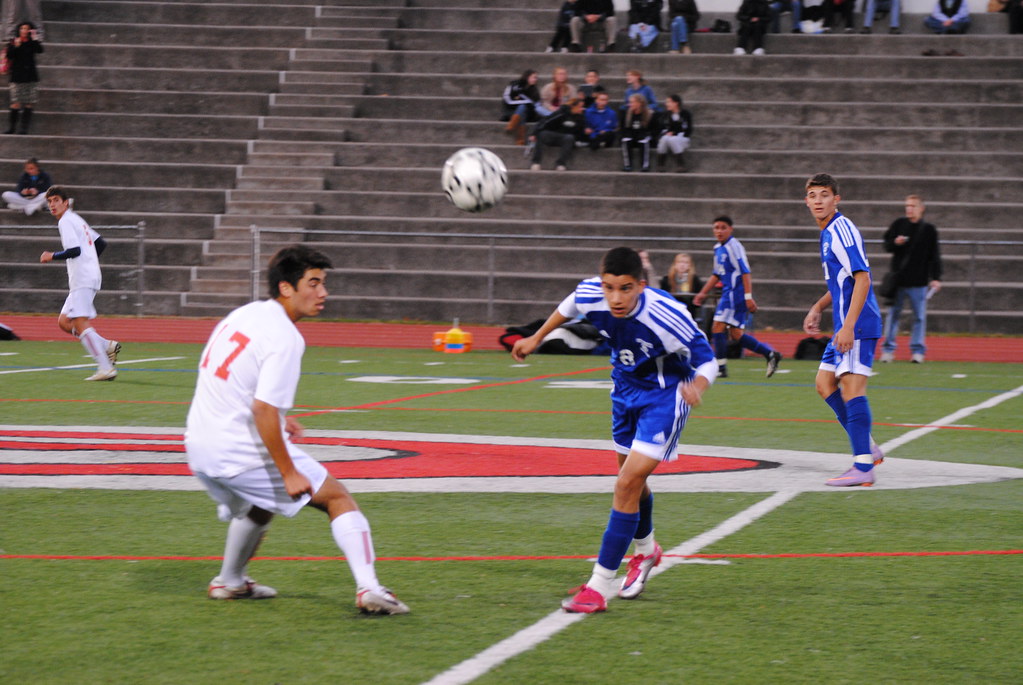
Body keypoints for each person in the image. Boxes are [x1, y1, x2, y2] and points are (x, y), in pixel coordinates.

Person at [185, 244, 410, 615]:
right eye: (314, 283)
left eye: (323, 283)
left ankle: (230, 582)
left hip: (198, 444)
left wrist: (276, 418)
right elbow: (263, 409)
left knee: (262, 505)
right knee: (337, 498)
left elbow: (229, 379)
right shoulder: (286, 336)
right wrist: (288, 471)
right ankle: (370, 588)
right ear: (286, 288)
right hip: (236, 447)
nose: (323, 292)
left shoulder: (245, 313)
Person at [511, 246, 717, 613]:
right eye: (609, 288)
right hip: (624, 391)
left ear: (640, 285)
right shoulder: (593, 293)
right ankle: (647, 551)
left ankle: (599, 585)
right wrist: (536, 337)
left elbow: (708, 361)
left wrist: (697, 388)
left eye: (625, 289)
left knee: (625, 484)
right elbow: (570, 304)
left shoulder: (666, 315)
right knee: (632, 482)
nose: (616, 298)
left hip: (665, 396)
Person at [802, 173, 886, 487]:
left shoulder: (841, 229)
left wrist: (849, 326)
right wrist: (818, 306)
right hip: (845, 325)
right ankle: (868, 447)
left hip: (857, 324)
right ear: (806, 201)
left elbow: (863, 277)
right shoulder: (827, 233)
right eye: (813, 195)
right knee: (825, 383)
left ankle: (863, 465)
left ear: (836, 199)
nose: (818, 200)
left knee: (852, 388)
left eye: (824, 194)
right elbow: (843, 282)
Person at [39, 186, 120, 382]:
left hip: (83, 278)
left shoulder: (66, 221)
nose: (52, 205)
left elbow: (74, 250)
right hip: (86, 276)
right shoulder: (76, 219)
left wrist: (51, 255)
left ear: (66, 202)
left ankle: (105, 368)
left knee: (79, 322)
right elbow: (100, 243)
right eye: (49, 201)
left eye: (56, 200)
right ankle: (106, 346)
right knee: (64, 322)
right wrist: (89, 261)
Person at [692, 216, 782, 378]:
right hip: (729, 294)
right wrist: (703, 292)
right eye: (716, 228)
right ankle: (770, 354)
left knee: (717, 327)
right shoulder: (717, 248)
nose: (719, 231)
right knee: (736, 334)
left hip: (735, 294)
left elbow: (745, 272)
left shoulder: (734, 246)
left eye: (723, 227)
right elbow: (716, 274)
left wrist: (748, 297)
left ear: (730, 229)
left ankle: (721, 367)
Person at [880, 195, 942, 364]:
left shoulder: (928, 229)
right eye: (907, 205)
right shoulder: (899, 224)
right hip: (899, 280)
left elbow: (934, 255)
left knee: (919, 317)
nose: (909, 209)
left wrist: (936, 277)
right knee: (893, 315)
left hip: (919, 281)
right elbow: (886, 244)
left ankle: (917, 351)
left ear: (921, 208)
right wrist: (895, 243)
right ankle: (888, 350)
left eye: (913, 206)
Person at [4, 21, 43, 135]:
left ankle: (24, 128)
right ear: (19, 30)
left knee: (29, 103)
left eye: (27, 29)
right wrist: (16, 46)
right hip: (17, 76)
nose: (24, 31)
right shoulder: (14, 41)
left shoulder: (32, 42)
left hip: (30, 76)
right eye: (22, 28)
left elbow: (40, 50)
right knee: (15, 102)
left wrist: (35, 38)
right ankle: (12, 128)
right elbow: (9, 55)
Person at [529, 96, 587, 171]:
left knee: (569, 138)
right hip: (552, 135)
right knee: (542, 134)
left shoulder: (581, 117)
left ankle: (561, 164)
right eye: (580, 107)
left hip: (565, 139)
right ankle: (536, 162)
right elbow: (545, 121)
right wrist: (534, 133)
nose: (581, 109)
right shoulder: (561, 113)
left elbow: (580, 133)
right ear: (573, 106)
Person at [659, 252, 704, 320]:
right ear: (675, 264)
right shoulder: (666, 280)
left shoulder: (695, 280)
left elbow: (699, 299)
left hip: (688, 311)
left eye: (686, 263)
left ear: (689, 266)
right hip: (671, 311)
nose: (682, 265)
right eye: (680, 262)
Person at [655, 93, 693, 172]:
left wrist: (674, 133)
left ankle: (681, 164)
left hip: (682, 138)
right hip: (668, 139)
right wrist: (666, 133)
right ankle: (660, 164)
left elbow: (687, 129)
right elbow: (661, 128)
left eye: (669, 102)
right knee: (665, 138)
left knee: (672, 139)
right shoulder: (665, 115)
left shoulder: (685, 114)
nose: (667, 104)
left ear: (676, 103)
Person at [502, 69, 540, 146]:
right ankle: (520, 139)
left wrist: (524, 102)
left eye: (536, 78)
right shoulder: (514, 85)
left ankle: (512, 125)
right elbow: (508, 100)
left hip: (529, 114)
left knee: (522, 108)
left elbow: (534, 104)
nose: (535, 79)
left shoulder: (534, 90)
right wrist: (525, 102)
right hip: (512, 111)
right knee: (522, 109)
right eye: (534, 77)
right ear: (527, 77)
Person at [619, 93, 655, 172]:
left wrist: (647, 135)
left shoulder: (649, 114)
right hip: (632, 135)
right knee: (625, 140)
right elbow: (624, 129)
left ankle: (645, 165)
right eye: (630, 102)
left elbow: (653, 129)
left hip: (643, 135)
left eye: (632, 102)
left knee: (644, 141)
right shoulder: (627, 114)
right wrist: (627, 135)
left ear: (639, 103)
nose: (630, 104)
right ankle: (627, 165)